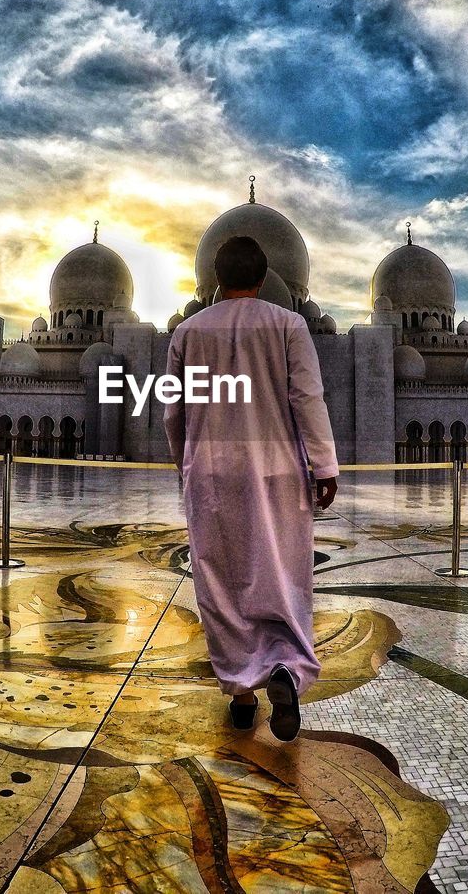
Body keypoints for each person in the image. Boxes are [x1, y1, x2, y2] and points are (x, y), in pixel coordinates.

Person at [164, 236, 339, 741]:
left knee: (219, 581)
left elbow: (172, 411)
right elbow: (307, 397)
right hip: (279, 470)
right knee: (281, 573)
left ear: (216, 281)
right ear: (265, 280)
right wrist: (323, 465)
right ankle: (285, 668)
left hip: (213, 473)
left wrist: (188, 465)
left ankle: (241, 693)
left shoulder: (189, 332)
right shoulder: (289, 324)